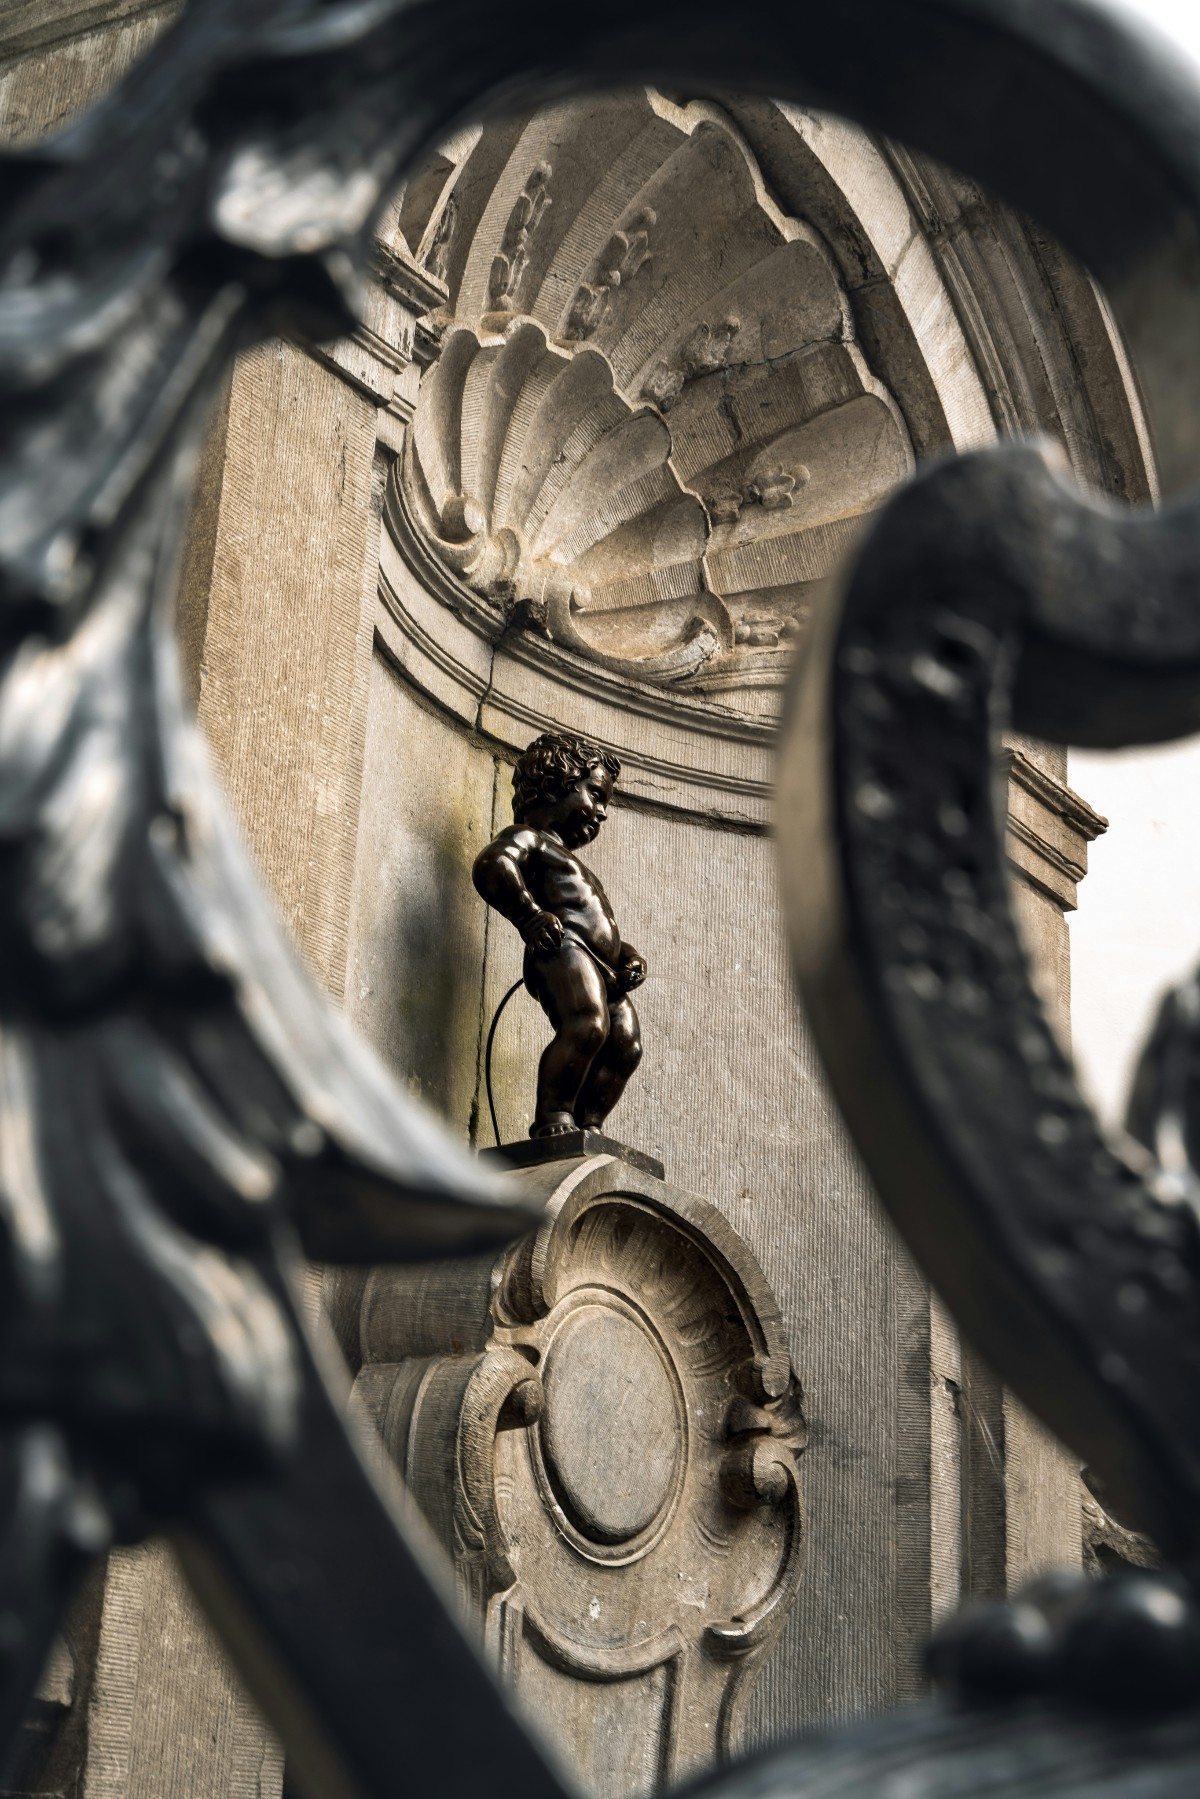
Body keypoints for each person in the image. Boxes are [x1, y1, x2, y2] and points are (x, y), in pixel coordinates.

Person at [473, 730, 645, 1137]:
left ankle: (590, 1126)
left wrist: (629, 958)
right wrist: (529, 916)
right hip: (561, 947)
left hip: (604, 965)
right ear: (555, 784)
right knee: (587, 1024)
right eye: (596, 795)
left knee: (625, 1046)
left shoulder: (574, 863)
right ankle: (553, 1117)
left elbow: (607, 928)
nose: (602, 812)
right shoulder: (528, 839)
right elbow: (493, 865)